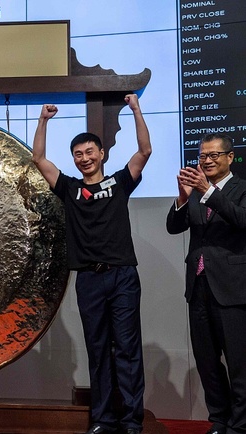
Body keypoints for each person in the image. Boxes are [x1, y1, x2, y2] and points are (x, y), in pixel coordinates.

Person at [31, 94, 151, 434]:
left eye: (89, 152)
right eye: (78, 154)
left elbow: (144, 152)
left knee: (127, 350)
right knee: (98, 350)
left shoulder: (118, 183)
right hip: (89, 280)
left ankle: (131, 421)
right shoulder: (69, 189)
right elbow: (38, 158)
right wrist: (43, 120)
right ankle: (102, 419)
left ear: (101, 154)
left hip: (123, 277)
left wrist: (136, 110)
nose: (84, 158)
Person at [166, 133, 246, 434]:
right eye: (202, 156)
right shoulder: (196, 193)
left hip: (232, 289)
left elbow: (241, 219)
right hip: (198, 287)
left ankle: (240, 425)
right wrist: (184, 197)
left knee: (239, 362)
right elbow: (174, 227)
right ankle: (219, 419)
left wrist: (209, 193)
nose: (207, 160)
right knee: (207, 361)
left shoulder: (241, 189)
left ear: (230, 157)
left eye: (214, 155)